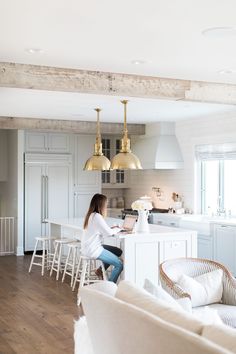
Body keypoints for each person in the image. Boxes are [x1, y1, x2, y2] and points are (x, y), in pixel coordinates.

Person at [82, 193, 123, 283]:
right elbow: (108, 233)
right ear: (101, 205)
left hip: (88, 247)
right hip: (94, 249)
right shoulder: (97, 216)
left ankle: (100, 270)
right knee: (119, 265)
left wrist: (111, 229)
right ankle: (110, 288)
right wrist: (118, 229)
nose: (106, 206)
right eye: (106, 204)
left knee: (117, 251)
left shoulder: (91, 215)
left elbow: (102, 230)